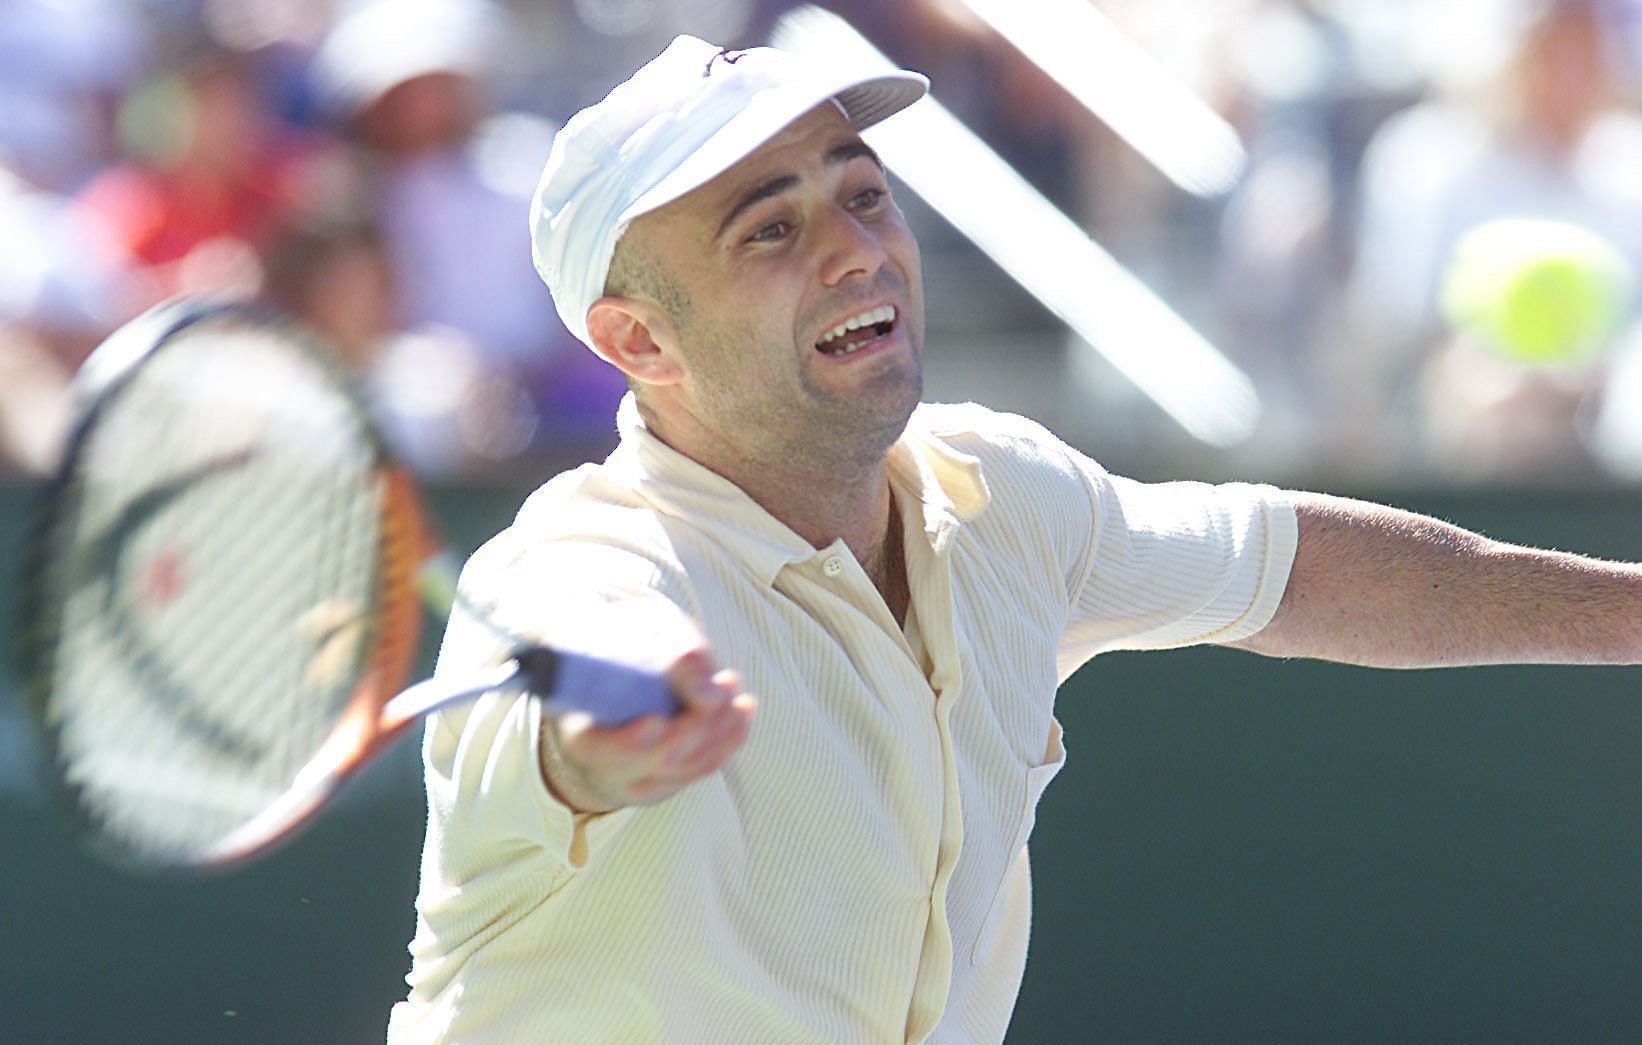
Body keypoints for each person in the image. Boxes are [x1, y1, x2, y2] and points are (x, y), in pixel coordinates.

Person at [386, 35, 1642, 1043]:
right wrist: (619, 723)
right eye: (770, 229)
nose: (856, 249)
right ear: (639, 343)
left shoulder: (1007, 495)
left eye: (864, 194)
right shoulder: (573, 570)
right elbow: (585, 646)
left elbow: (1292, 568)